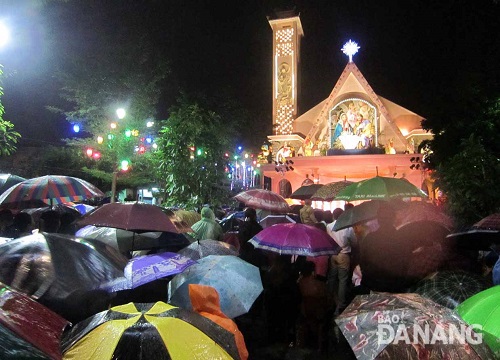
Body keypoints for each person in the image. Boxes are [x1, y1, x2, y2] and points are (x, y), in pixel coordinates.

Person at [359, 203, 410, 292]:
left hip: (374, 285)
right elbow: (406, 262)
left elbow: (363, 262)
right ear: (393, 218)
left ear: (378, 220)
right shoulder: (403, 239)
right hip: (396, 286)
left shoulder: (370, 239)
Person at [326, 208, 355, 315]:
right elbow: (354, 241)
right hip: (344, 254)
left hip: (333, 254)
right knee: (342, 280)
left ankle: (330, 300)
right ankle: (341, 304)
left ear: (333, 215)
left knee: (332, 278)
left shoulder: (329, 226)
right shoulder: (348, 227)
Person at [295, 261, 328, 352]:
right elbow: (328, 301)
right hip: (318, 314)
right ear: (313, 271)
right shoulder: (320, 285)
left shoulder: (299, 284)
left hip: (304, 313)